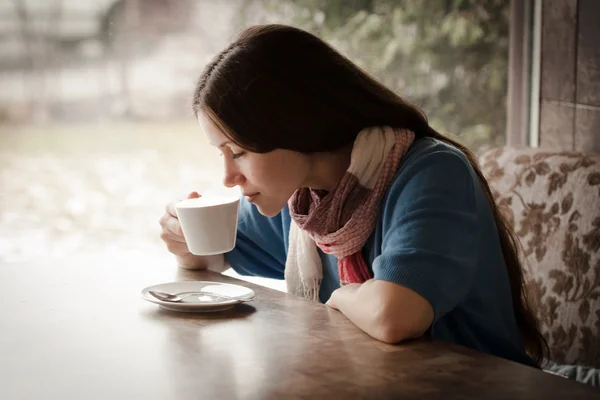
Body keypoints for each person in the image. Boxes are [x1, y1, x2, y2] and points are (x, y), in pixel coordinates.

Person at [159, 24, 547, 368]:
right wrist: (184, 235)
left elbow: (394, 315)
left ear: (292, 125)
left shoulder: (432, 174)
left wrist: (341, 296)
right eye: (221, 154)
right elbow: (213, 255)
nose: (228, 176)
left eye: (238, 152)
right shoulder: (302, 203)